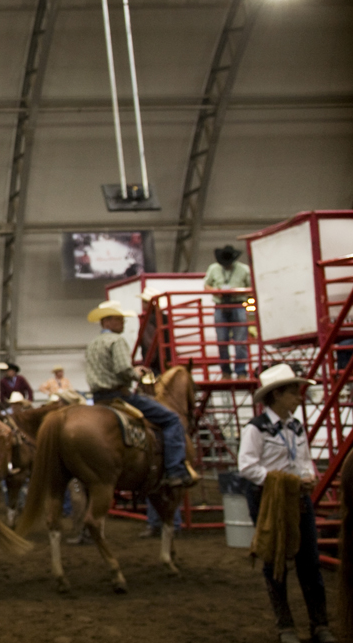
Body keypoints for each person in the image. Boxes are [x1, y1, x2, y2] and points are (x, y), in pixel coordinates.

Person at [238, 364, 334, 643]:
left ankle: (319, 624)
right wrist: (284, 480)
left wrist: (306, 477)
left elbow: (304, 461)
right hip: (270, 499)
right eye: (293, 391)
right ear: (277, 394)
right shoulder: (256, 429)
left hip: (295, 497)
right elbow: (247, 466)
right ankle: (286, 627)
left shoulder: (294, 426)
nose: (299, 396)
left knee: (309, 560)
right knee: (275, 559)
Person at [84, 301, 191, 488]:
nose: (123, 323)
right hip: (119, 396)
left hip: (99, 399)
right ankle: (175, 470)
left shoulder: (92, 344)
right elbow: (122, 369)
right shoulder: (116, 341)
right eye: (119, 319)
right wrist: (137, 373)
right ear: (106, 321)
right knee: (172, 419)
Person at [204, 244, 252, 377]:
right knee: (222, 340)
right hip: (221, 305)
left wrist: (238, 293)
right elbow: (206, 285)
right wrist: (217, 292)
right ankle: (226, 371)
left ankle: (240, 371)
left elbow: (250, 288)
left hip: (238, 304)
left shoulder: (244, 270)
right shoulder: (214, 269)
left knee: (240, 341)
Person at [138, 289, 170, 374]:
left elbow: (149, 343)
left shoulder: (148, 320)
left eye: (144, 302)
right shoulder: (165, 318)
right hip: (167, 358)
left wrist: (148, 361)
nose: (143, 304)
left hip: (155, 363)